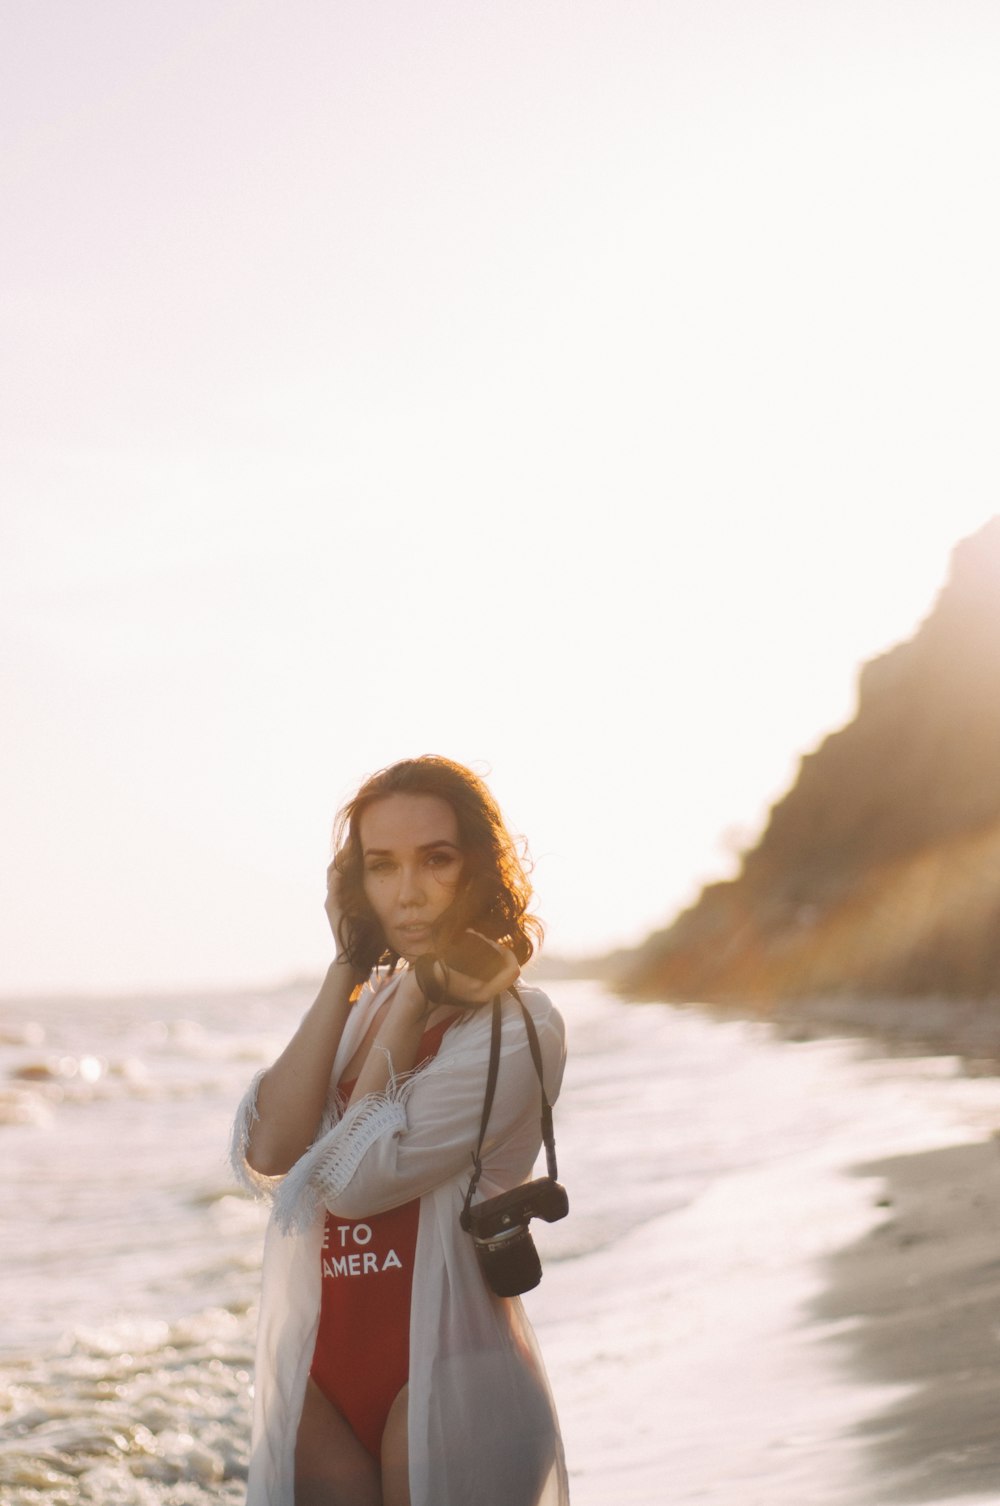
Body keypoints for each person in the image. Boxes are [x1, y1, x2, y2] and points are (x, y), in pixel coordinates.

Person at [231, 756, 569, 1506]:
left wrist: (416, 998)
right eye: (381, 867)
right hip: (322, 1367)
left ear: (478, 868)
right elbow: (270, 1151)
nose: (407, 893)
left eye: (435, 860)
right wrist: (346, 970)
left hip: (452, 1365)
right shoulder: (362, 1008)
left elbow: (351, 1183)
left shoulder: (522, 1025)